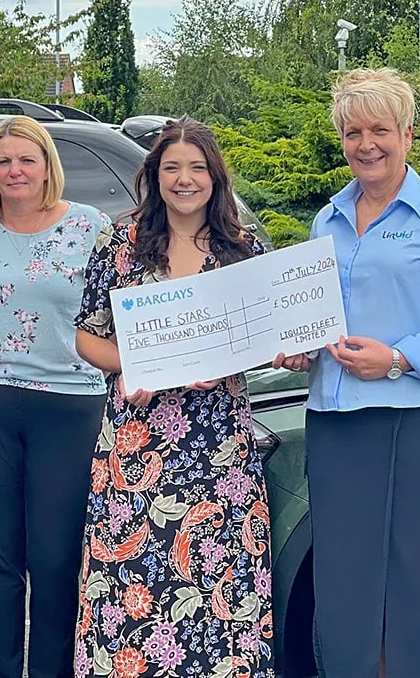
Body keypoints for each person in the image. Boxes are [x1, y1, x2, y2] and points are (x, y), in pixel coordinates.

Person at [276, 68, 420, 678]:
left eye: (379, 129)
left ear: (407, 133)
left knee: (418, 565)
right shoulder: (326, 220)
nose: (365, 143)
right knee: (343, 566)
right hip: (336, 417)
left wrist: (399, 358)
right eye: (352, 131)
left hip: (416, 415)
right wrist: (300, 348)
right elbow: (318, 315)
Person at [73, 116, 274, 678]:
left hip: (219, 452)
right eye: (172, 169)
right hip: (137, 449)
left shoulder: (243, 245)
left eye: (197, 168)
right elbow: (87, 336)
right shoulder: (123, 240)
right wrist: (140, 365)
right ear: (154, 176)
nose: (185, 180)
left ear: (216, 177)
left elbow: (263, 334)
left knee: (221, 588)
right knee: (134, 589)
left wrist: (259, 353)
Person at [0, 115, 109, 678]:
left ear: (47, 168)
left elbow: (121, 313)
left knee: (56, 556)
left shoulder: (91, 227)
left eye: (26, 160)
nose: (15, 170)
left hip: (71, 403)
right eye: (3, 161)